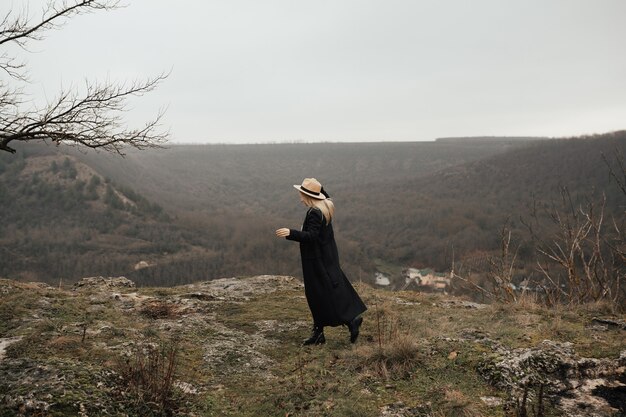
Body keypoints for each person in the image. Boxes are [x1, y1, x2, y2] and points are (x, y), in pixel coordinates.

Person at [275, 178, 367, 345]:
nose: (300, 198)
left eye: (301, 195)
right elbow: (324, 194)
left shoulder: (315, 213)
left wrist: (291, 233)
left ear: (308, 196)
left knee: (318, 295)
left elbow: (311, 236)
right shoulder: (324, 207)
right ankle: (322, 331)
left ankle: (345, 323)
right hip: (326, 257)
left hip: (317, 261)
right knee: (325, 292)